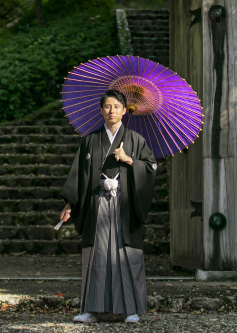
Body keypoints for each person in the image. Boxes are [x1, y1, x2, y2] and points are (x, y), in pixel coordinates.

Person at [59, 89, 158, 324]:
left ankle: (131, 309)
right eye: (107, 106)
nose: (111, 110)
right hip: (97, 204)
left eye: (116, 106)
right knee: (96, 257)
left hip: (125, 204)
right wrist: (70, 203)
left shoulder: (135, 140)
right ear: (101, 110)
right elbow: (79, 175)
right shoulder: (91, 140)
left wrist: (129, 160)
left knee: (127, 257)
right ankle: (90, 309)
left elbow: (152, 167)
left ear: (125, 111)